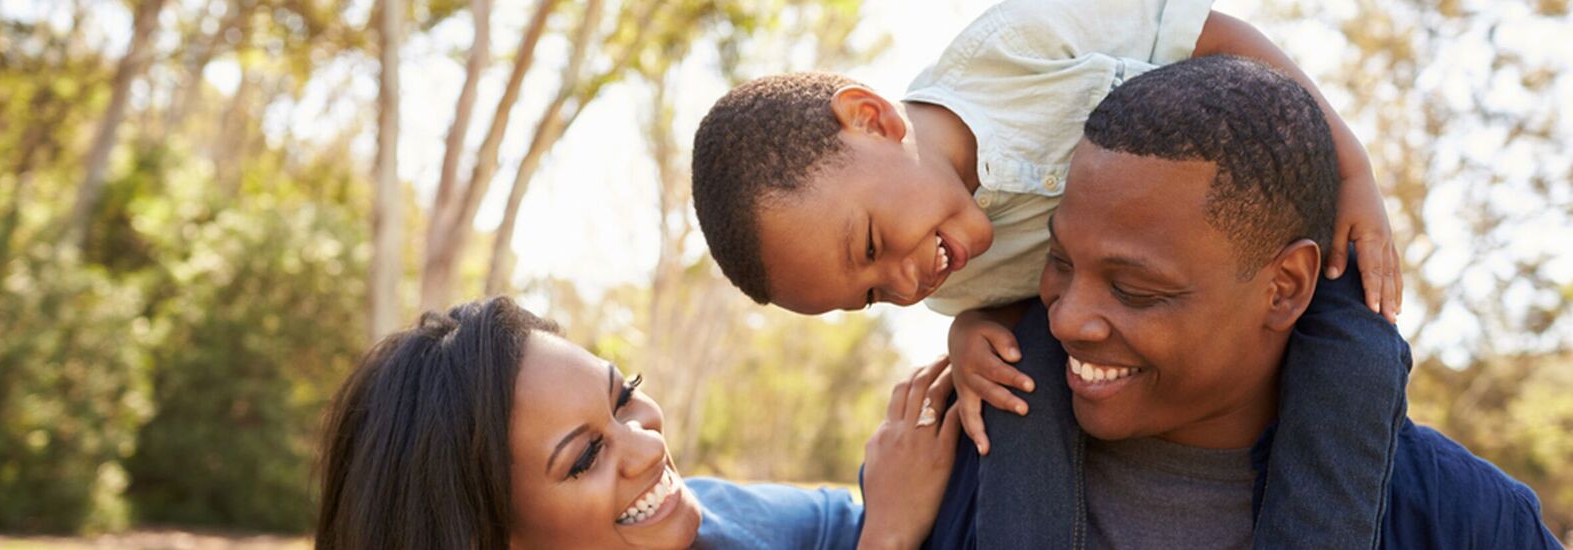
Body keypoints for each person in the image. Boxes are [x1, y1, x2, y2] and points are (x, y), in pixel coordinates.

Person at [691, 0, 1405, 546]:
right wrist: (969, 332)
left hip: (1256, 247)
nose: (906, 285)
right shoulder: (951, 274)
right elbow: (1020, 304)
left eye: (874, 243)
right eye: (874, 294)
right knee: (1017, 386)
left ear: (871, 118)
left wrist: (1351, 170)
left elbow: (1210, 34)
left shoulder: (1015, 49)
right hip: (1125, 335)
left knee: (1361, 357)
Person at [921, 55, 1560, 549]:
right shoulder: (948, 463)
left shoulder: (1465, 521)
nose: (1065, 318)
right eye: (1060, 261)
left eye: (1134, 290)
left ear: (1285, 287)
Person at [314, 295, 963, 550]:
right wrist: (891, 538)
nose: (649, 446)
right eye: (584, 458)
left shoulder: (707, 525)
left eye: (624, 396)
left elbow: (837, 523)